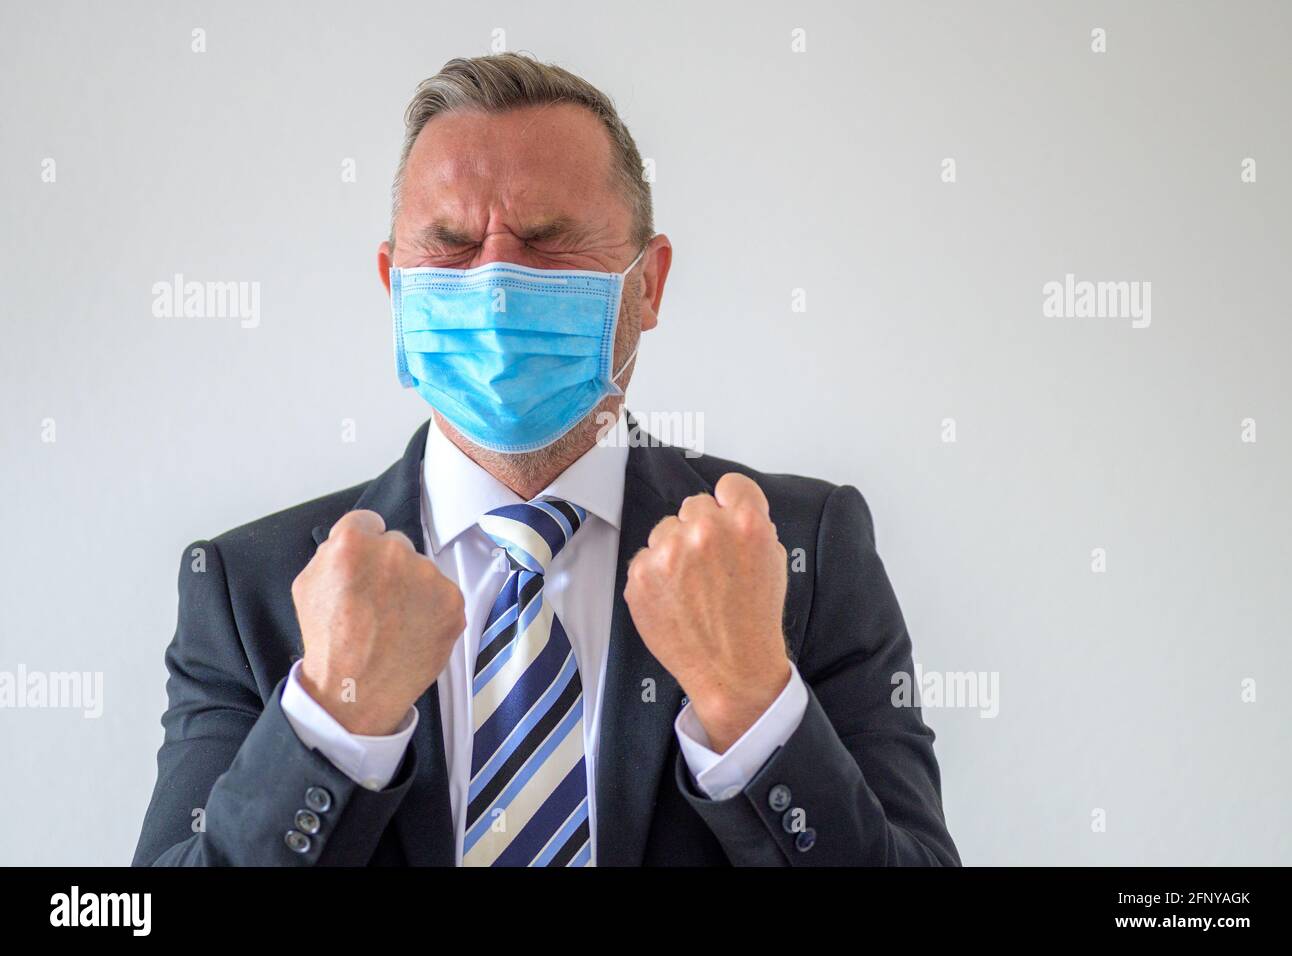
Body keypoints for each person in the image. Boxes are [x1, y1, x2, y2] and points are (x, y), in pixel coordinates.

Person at [133, 52, 959, 867]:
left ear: (649, 286)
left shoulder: (798, 553)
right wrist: (328, 722)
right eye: (451, 246)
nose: (495, 285)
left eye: (546, 241)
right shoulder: (249, 589)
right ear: (395, 288)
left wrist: (753, 706)